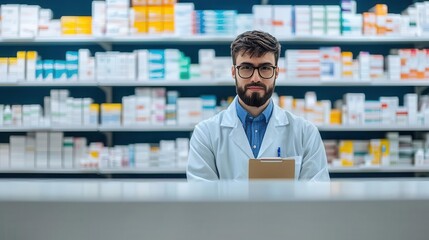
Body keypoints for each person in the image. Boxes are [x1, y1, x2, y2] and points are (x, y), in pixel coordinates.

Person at [187, 30, 330, 181]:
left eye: (265, 68)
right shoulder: (205, 134)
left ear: (276, 73)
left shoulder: (305, 133)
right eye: (246, 68)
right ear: (233, 72)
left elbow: (316, 196)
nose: (255, 78)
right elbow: (202, 198)